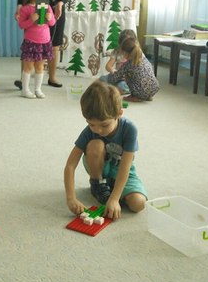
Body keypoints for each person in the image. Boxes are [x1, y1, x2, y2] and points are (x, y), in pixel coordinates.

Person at [63, 80, 147, 221]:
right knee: (95, 144)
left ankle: (114, 190)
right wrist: (71, 198)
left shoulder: (130, 129)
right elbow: (70, 165)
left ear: (119, 114)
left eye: (104, 125)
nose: (97, 130)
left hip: (122, 168)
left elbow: (125, 166)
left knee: (138, 203)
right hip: (99, 165)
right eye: (91, 124)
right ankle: (98, 184)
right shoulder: (89, 132)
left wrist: (114, 198)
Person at [17, 0, 56, 99]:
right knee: (28, 67)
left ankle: (38, 89)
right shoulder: (25, 8)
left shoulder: (47, 6)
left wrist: (50, 18)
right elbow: (21, 25)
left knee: (40, 67)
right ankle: (25, 90)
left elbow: (52, 23)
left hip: (44, 41)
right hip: (31, 42)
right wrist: (31, 20)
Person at [105, 34, 160, 102]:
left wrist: (111, 76)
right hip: (154, 88)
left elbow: (114, 78)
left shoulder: (128, 64)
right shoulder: (143, 57)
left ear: (125, 53)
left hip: (141, 92)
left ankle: (136, 96)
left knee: (127, 75)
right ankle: (147, 96)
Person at [100, 29, 137, 95]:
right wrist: (112, 70)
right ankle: (114, 88)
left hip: (127, 80)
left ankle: (118, 89)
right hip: (116, 76)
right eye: (124, 44)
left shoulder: (135, 52)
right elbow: (108, 66)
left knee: (122, 85)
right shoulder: (117, 51)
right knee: (101, 79)